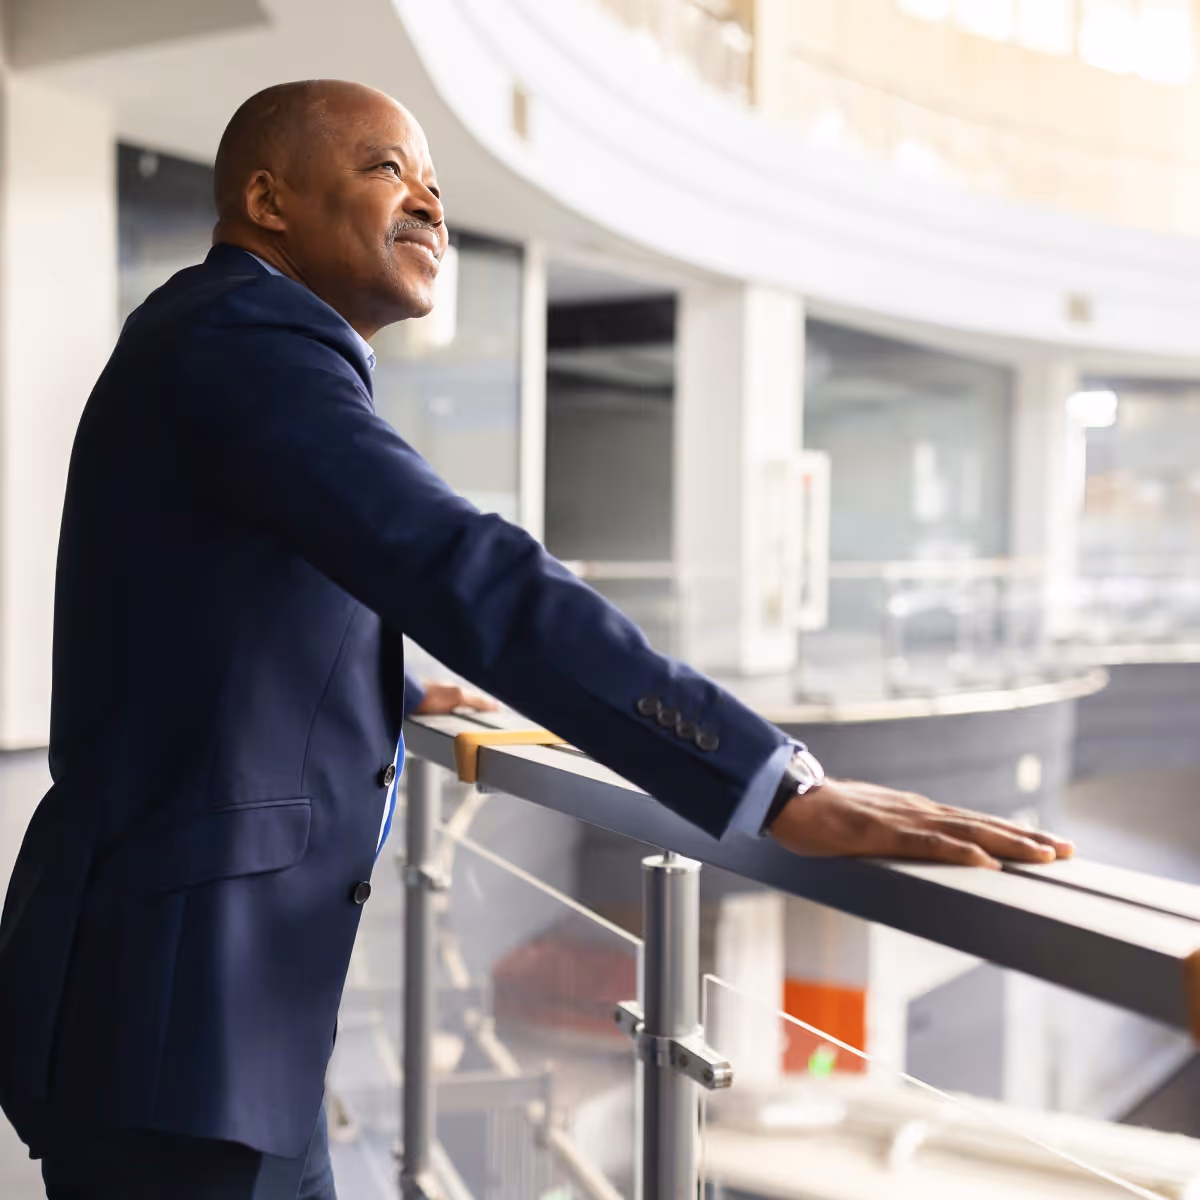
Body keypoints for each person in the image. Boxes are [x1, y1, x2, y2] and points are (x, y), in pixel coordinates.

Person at [0, 80, 1072, 1199]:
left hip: (192, 1014)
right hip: (181, 1027)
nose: (427, 203)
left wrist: (396, 690)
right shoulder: (245, 343)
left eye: (435, 183)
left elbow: (224, 591)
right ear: (267, 199)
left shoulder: (208, 335)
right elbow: (463, 563)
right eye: (386, 169)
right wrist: (767, 782)